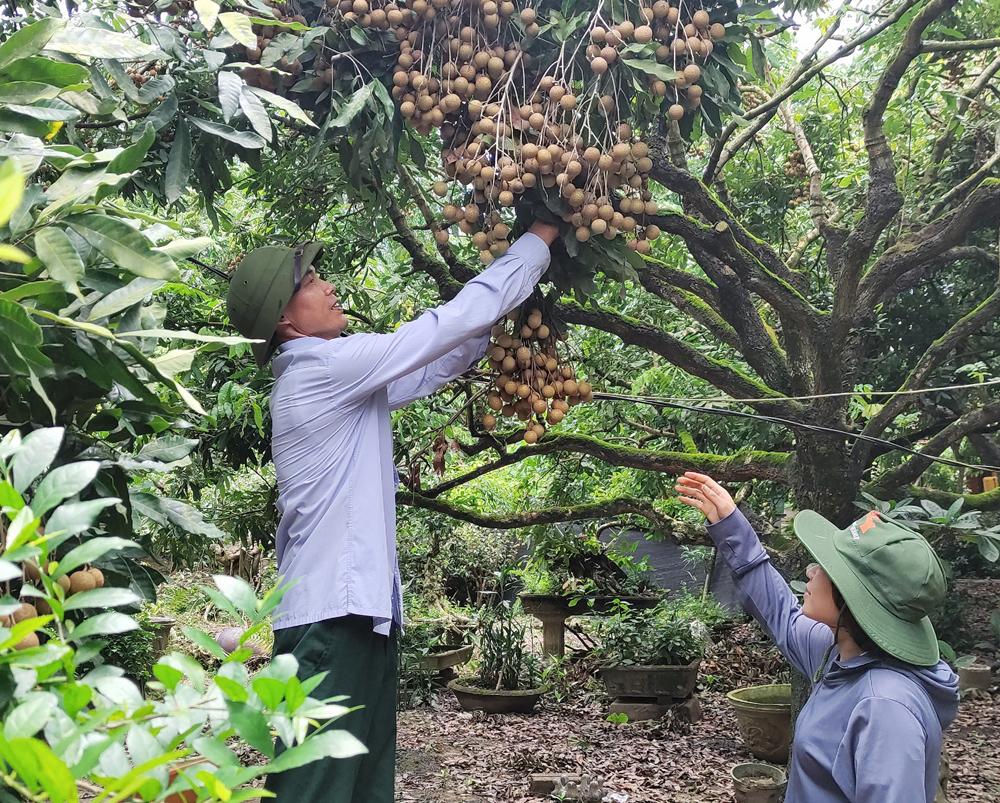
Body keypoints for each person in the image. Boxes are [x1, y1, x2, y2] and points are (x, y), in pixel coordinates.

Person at [225, 221, 560, 802]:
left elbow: (433, 362)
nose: (328, 286)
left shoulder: (335, 380)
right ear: (286, 321)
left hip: (356, 619)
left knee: (363, 787)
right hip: (332, 623)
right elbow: (439, 327)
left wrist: (495, 327)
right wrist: (539, 240)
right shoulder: (322, 371)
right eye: (311, 280)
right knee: (316, 789)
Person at [675, 471, 958, 803]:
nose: (811, 571)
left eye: (826, 567)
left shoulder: (884, 709)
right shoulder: (840, 653)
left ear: (853, 599)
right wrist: (732, 527)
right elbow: (782, 614)